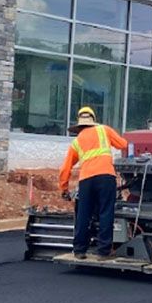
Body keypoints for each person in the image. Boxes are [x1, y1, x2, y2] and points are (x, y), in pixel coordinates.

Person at [58, 106, 129, 260]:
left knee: (84, 214)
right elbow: (123, 144)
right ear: (93, 119)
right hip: (106, 177)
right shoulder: (104, 130)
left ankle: (79, 250)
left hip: (86, 180)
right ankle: (103, 252)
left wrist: (64, 188)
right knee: (105, 212)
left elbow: (65, 168)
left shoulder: (77, 142)